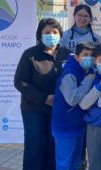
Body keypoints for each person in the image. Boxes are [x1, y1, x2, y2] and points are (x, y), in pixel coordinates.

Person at [14, 18, 71, 170]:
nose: (51, 35)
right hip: (34, 109)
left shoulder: (67, 55)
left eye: (54, 32)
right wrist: (44, 98)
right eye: (47, 32)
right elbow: (20, 82)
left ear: (60, 35)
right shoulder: (30, 54)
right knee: (35, 145)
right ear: (39, 35)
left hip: (58, 110)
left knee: (54, 145)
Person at [52, 42, 96, 170]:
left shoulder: (87, 71)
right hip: (65, 127)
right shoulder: (70, 74)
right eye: (85, 55)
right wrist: (88, 80)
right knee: (64, 163)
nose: (89, 58)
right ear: (77, 57)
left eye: (92, 55)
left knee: (75, 163)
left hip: (78, 125)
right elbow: (73, 99)